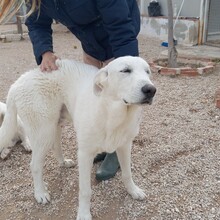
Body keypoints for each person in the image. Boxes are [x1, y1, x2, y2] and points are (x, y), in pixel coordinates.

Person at [0, 0, 141, 181]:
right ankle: (104, 144)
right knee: (96, 98)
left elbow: (119, 25)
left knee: (118, 99)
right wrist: (45, 51)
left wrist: (127, 71)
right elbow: (36, 22)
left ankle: (114, 151)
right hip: (91, 43)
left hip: (119, 36)